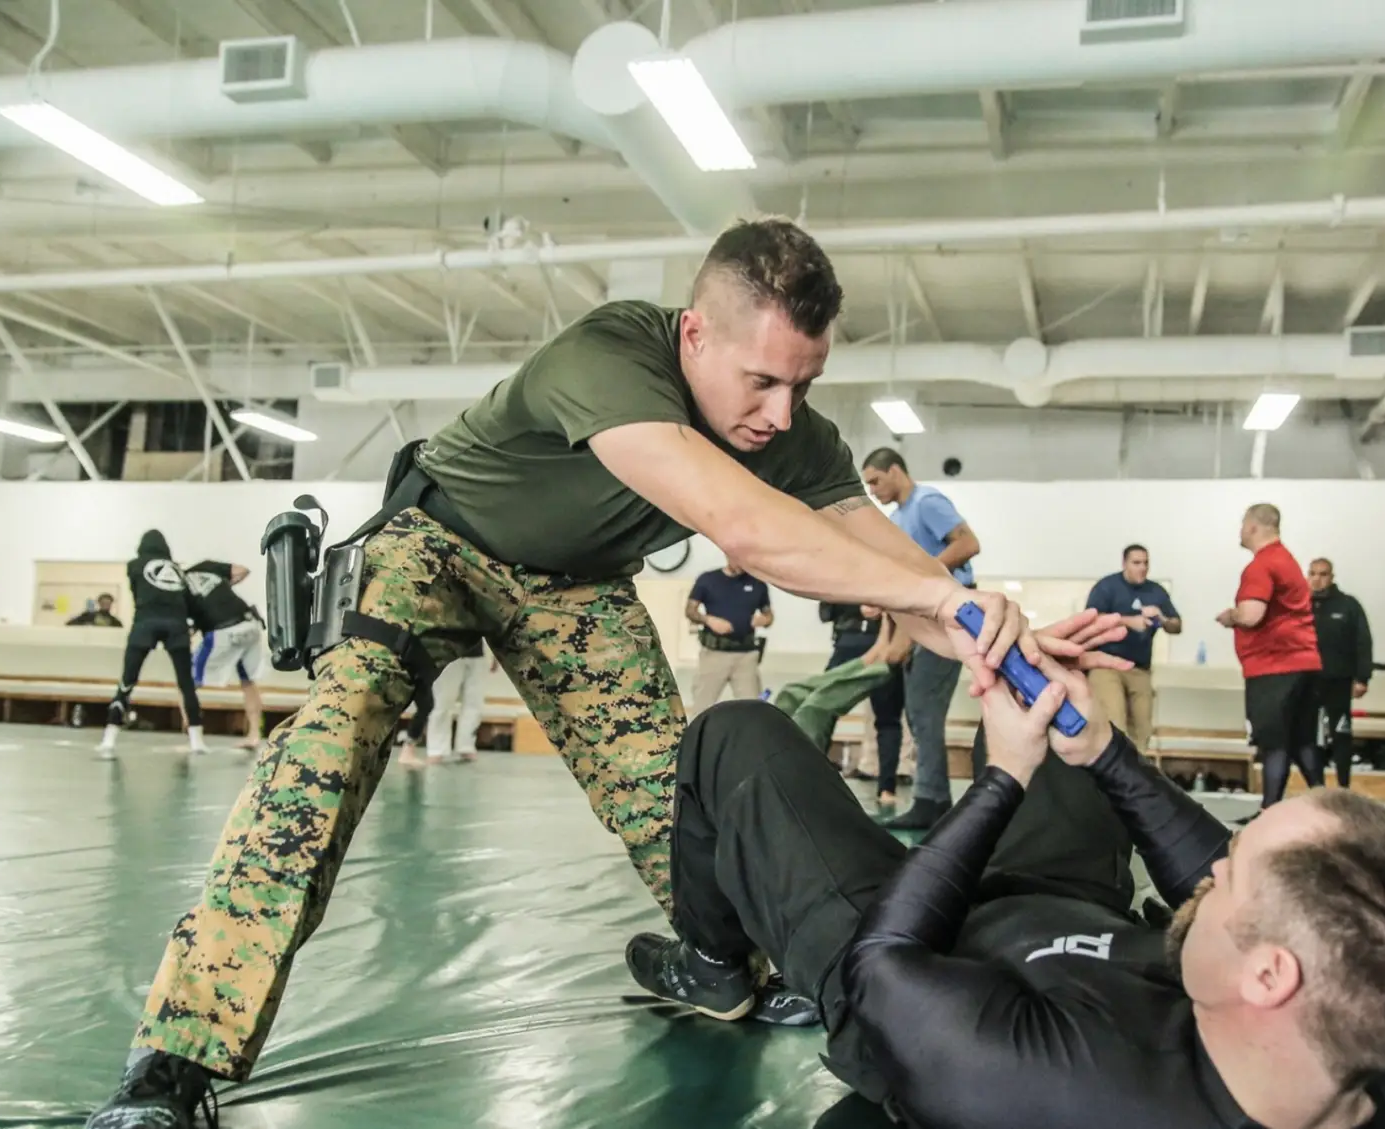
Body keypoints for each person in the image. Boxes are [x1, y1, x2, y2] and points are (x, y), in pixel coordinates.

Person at [84, 218, 1059, 1127]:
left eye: (803, 384)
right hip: (441, 543)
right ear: (693, 336)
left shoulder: (793, 433)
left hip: (573, 588)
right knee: (326, 749)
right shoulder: (610, 354)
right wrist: (940, 602)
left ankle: (719, 961)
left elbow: (897, 570)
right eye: (761, 380)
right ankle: (178, 1053)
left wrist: (1009, 642)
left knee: (677, 795)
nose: (781, 412)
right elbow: (749, 530)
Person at [628, 642, 1385, 1129]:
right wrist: (1101, 747)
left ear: (1267, 975)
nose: (1209, 867)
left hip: (907, 961)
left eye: (1229, 876)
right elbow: (1275, 904)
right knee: (1063, 735)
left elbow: (882, 960)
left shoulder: (1056, 1090)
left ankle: (713, 965)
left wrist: (1002, 776)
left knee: (735, 733)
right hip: (1065, 915)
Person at [861, 447, 983, 831]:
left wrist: (923, 576)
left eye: (876, 480)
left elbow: (967, 544)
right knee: (917, 711)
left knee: (925, 709)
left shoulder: (926, 502)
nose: (873, 490)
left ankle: (932, 801)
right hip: (922, 619)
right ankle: (934, 797)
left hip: (949, 615)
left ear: (896, 471)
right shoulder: (898, 518)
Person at [1217, 505, 1322, 813]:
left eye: (1242, 524)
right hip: (1304, 663)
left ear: (1253, 527)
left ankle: (1268, 813)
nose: (1239, 531)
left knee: (1274, 743)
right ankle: (1331, 809)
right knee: (1303, 741)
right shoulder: (1287, 560)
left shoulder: (1261, 566)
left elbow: (1251, 615)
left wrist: (1230, 616)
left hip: (1273, 668)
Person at [97, 531, 207, 758]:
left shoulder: (135, 565)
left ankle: (109, 738)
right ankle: (197, 741)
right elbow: (187, 599)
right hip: (176, 625)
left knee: (127, 680)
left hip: (146, 621)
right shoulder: (177, 569)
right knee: (186, 683)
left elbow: (137, 592)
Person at [1085, 544, 1181, 751]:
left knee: (1142, 730)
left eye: (1146, 563)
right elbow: (1092, 619)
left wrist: (1161, 618)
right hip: (1107, 665)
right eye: (1136, 563)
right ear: (1124, 564)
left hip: (1139, 668)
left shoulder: (1156, 592)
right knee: (1115, 723)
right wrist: (1129, 621)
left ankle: (1136, 780)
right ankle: (1112, 778)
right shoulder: (1107, 587)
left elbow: (1176, 626)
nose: (1142, 568)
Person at [772, 613, 915, 753]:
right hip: (884, 643)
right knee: (790, 693)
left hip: (902, 644)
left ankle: (801, 767)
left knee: (815, 707)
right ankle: (780, 757)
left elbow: (896, 651)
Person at [820, 600, 906, 798]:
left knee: (888, 718)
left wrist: (885, 607)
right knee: (820, 707)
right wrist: (856, 606)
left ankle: (886, 788)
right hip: (848, 641)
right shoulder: (840, 571)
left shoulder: (895, 570)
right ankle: (809, 776)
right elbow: (825, 609)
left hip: (886, 642)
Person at [1307, 558, 1374, 789]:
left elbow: (1363, 642)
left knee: (1341, 736)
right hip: (1308, 682)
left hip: (1339, 681)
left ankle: (1344, 787)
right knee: (1310, 738)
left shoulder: (1348, 605)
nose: (1317, 579)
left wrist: (1362, 678)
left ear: (1332, 577)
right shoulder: (1300, 606)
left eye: (1323, 574)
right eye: (1313, 573)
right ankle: (1316, 788)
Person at [185, 560, 267, 751]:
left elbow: (187, 628)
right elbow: (243, 570)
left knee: (186, 683)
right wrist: (222, 591)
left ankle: (193, 739)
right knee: (248, 682)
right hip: (251, 624)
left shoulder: (179, 589)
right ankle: (254, 735)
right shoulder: (206, 566)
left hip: (224, 630)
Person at [686, 558, 774, 711]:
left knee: (753, 709)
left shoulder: (758, 584)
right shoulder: (708, 580)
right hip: (714, 654)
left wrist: (763, 620)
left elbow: (769, 616)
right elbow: (690, 611)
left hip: (746, 655)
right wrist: (708, 620)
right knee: (701, 707)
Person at [397, 648, 491, 766]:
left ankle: (466, 747)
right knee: (442, 702)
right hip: (451, 652)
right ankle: (437, 750)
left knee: (474, 703)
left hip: (477, 653)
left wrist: (497, 657)